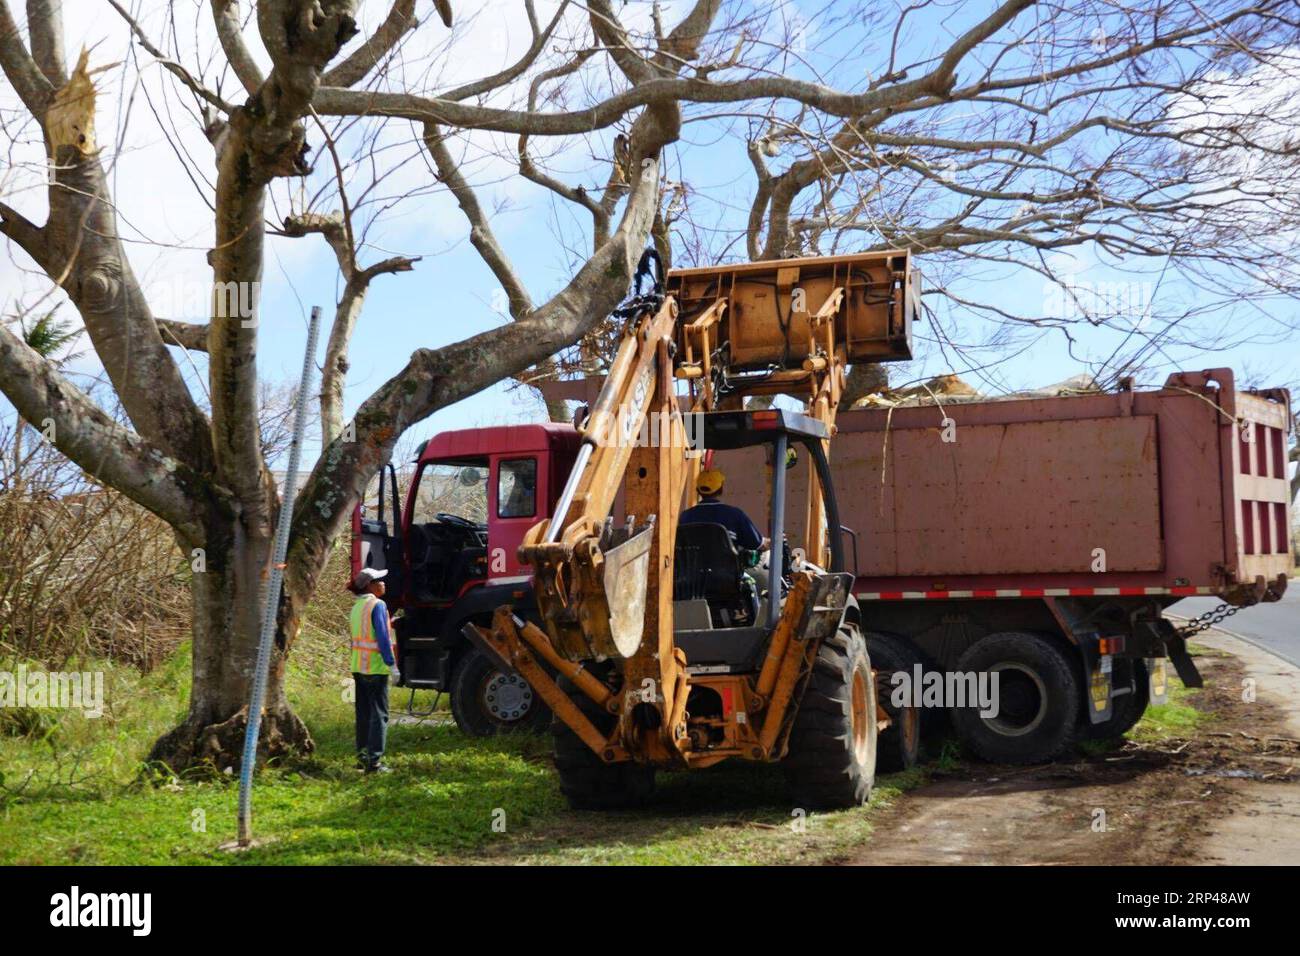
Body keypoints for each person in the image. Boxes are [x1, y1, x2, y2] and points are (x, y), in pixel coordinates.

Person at [349, 567, 399, 774]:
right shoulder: (378, 605)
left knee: (364, 714)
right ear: (370, 585)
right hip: (376, 668)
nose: (384, 583)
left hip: (358, 667)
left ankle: (362, 758)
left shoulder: (357, 607)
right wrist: (392, 665)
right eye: (379, 580)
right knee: (380, 715)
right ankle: (375, 763)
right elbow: (383, 639)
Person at [679, 468, 766, 552]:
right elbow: (757, 544)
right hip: (727, 567)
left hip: (693, 567)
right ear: (721, 490)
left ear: (697, 490)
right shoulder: (735, 515)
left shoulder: (685, 517)